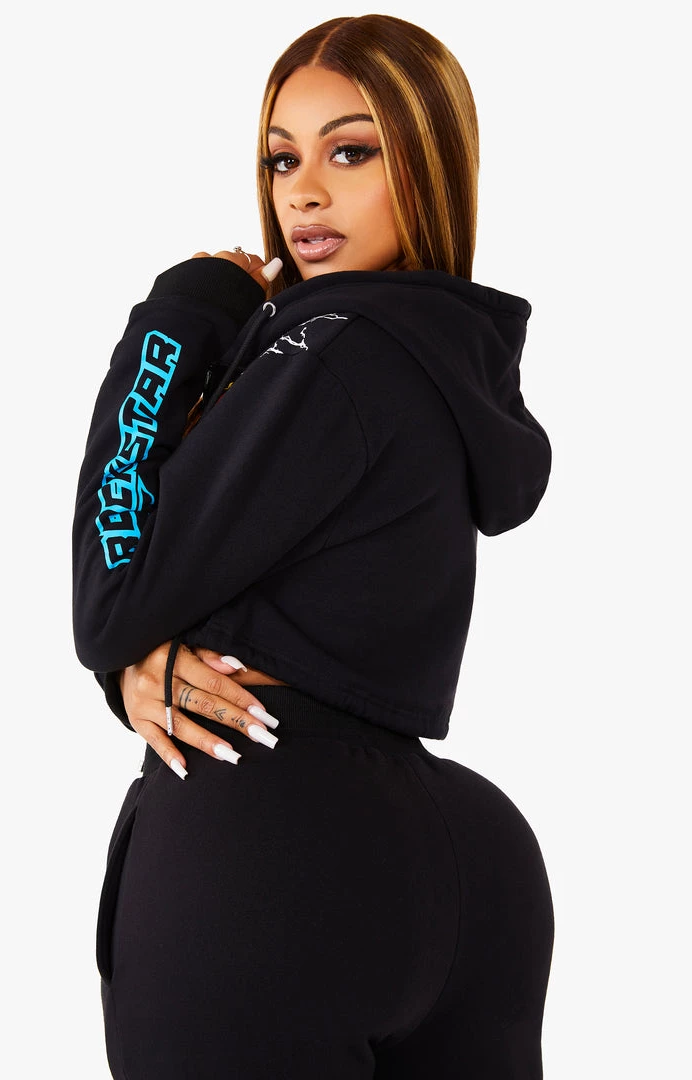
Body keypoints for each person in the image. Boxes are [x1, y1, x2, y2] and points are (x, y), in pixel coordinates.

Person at [72, 13, 555, 1079]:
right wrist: (145, 661)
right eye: (282, 160)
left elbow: (111, 596)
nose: (304, 195)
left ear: (430, 163)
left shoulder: (329, 349)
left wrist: (177, 317)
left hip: (266, 851)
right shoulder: (443, 363)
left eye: (351, 152)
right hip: (467, 860)